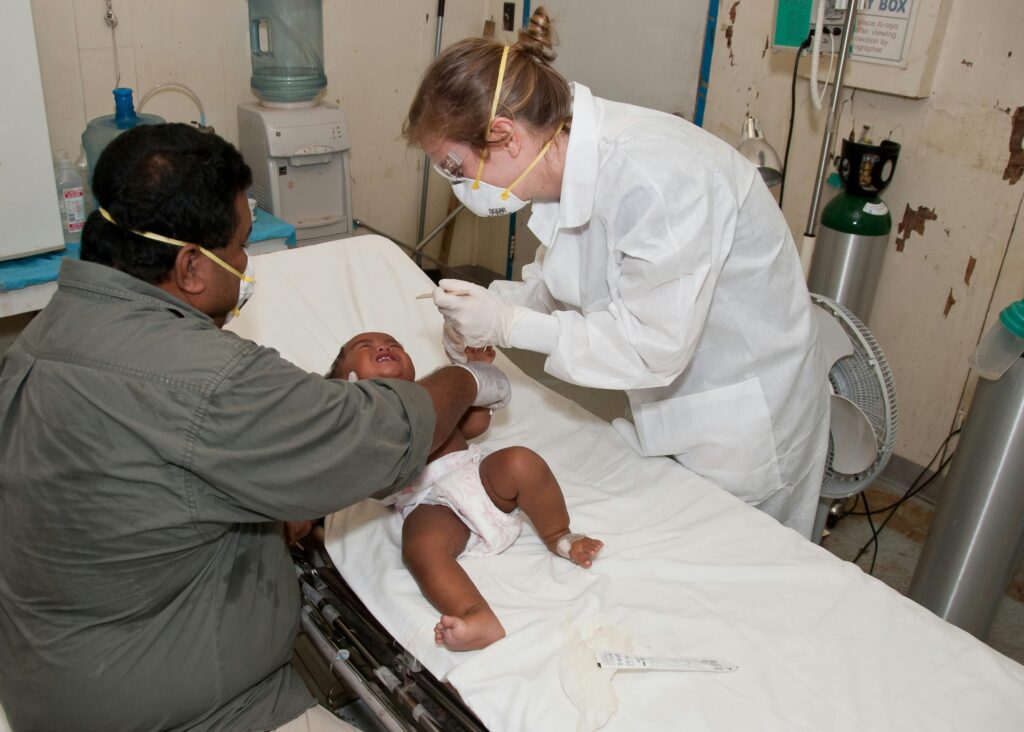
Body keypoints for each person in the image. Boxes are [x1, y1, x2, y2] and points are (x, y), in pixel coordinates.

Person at [0, 124, 511, 731]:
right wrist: (469, 382)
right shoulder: (205, 379)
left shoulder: (38, 341)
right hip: (189, 710)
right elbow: (378, 437)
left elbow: (144, 485)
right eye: (241, 246)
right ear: (191, 266)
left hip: (53, 676)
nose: (245, 265)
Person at [404, 7, 830, 539]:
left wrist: (509, 325)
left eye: (455, 167)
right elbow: (562, 278)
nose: (458, 185)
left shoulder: (655, 177)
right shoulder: (561, 167)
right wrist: (487, 309)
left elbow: (652, 345)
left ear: (505, 136)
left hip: (743, 425)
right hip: (672, 410)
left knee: (750, 571)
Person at [328, 331, 602, 651]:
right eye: (365, 347)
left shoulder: (429, 399)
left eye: (394, 345)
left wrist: (475, 372)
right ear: (344, 382)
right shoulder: (358, 427)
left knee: (521, 462)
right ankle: (475, 614)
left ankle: (560, 536)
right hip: (432, 505)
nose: (383, 347)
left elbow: (475, 425)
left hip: (479, 478)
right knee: (420, 545)